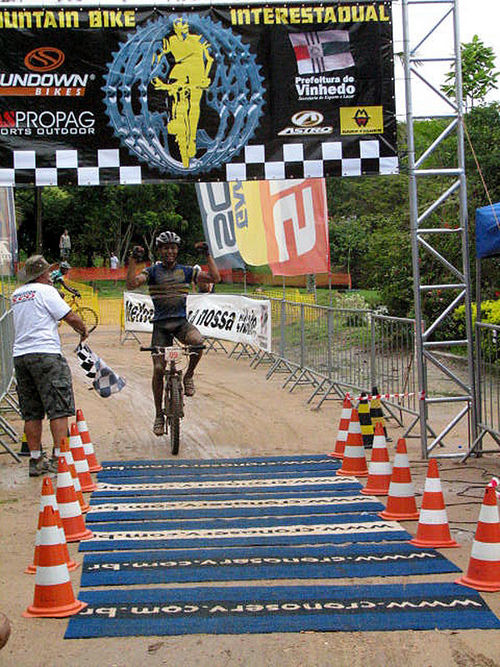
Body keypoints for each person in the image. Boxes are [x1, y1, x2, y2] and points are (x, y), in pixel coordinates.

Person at [126, 232, 220, 436]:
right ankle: (158, 414)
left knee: (197, 342)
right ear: (160, 250)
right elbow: (131, 283)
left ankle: (188, 376)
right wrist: (134, 260)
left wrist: (208, 255)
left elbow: (215, 278)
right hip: (160, 326)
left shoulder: (186, 271)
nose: (170, 251)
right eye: (166, 248)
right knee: (159, 369)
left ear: (177, 250)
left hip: (180, 323)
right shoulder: (152, 272)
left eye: (173, 248)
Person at [12, 255, 88, 477]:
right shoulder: (46, 292)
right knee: (58, 407)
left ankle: (35, 459)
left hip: (21, 356)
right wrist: (83, 330)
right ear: (43, 274)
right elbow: (69, 316)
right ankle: (59, 457)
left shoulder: (17, 295)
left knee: (31, 411)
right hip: (46, 353)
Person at [152, 17, 213, 166]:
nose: (184, 26)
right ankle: (177, 126)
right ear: (175, 27)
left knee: (194, 106)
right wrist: (160, 54)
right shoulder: (171, 41)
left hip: (196, 74)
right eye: (180, 24)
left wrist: (205, 77)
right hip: (178, 74)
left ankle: (191, 139)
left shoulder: (197, 39)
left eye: (185, 24)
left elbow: (209, 59)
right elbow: (156, 59)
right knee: (177, 103)